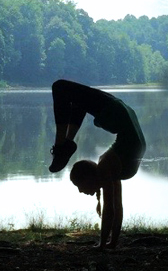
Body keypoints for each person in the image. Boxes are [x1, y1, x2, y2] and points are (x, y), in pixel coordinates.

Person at [48, 79, 147, 249]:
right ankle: (67, 143)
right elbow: (116, 207)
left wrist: (102, 244)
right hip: (125, 121)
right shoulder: (111, 167)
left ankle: (61, 146)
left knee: (60, 87)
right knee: (77, 100)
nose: (80, 190)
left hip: (118, 115)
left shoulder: (106, 166)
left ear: (90, 176)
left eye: (79, 184)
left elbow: (110, 209)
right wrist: (111, 243)